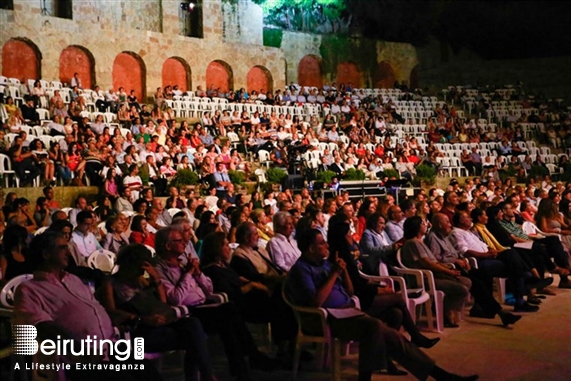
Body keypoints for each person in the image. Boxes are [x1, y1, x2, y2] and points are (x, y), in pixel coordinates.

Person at [286, 228, 479, 381]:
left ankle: (439, 374)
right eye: (321, 243)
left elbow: (351, 292)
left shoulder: (326, 264)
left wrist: (342, 271)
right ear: (311, 248)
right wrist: (335, 274)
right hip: (324, 318)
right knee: (374, 326)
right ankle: (374, 373)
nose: (326, 245)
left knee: (394, 318)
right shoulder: (301, 269)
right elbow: (315, 303)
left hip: (346, 311)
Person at [13, 232, 160, 381]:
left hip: (109, 347)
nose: (68, 252)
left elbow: (96, 309)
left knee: (146, 370)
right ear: (46, 254)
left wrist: (117, 322)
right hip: (77, 359)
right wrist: (82, 350)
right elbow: (42, 327)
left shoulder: (73, 280)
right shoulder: (30, 289)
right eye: (62, 248)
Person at [153, 227, 279, 379]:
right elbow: (175, 299)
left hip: (204, 305)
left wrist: (198, 273)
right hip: (188, 312)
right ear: (167, 246)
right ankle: (246, 362)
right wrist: (188, 274)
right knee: (229, 313)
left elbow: (209, 289)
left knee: (229, 315)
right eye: (178, 241)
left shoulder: (183, 264)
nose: (184, 243)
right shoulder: (160, 269)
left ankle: (243, 364)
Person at [99, 244, 216, 381]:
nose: (142, 272)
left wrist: (157, 281)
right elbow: (110, 312)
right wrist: (141, 318)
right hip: (139, 332)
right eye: (140, 268)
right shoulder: (110, 283)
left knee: (192, 324)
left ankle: (206, 375)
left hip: (160, 324)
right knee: (195, 338)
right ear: (130, 264)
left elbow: (163, 303)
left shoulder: (140, 280)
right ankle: (207, 376)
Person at [427, 213, 522, 326]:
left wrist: (462, 260)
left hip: (461, 266)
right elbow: (435, 259)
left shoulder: (444, 236)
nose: (450, 224)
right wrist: (456, 261)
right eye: (447, 222)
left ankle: (483, 308)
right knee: (477, 283)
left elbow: (455, 253)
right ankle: (500, 312)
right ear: (439, 224)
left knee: (485, 275)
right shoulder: (433, 237)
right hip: (447, 270)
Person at [449, 211, 539, 312]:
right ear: (461, 220)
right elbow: (465, 252)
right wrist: (486, 255)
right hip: (479, 261)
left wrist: (490, 250)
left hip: (488, 256)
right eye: (468, 217)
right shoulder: (456, 233)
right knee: (513, 266)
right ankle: (525, 285)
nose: (471, 219)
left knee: (511, 253)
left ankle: (524, 285)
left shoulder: (468, 232)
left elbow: (481, 244)